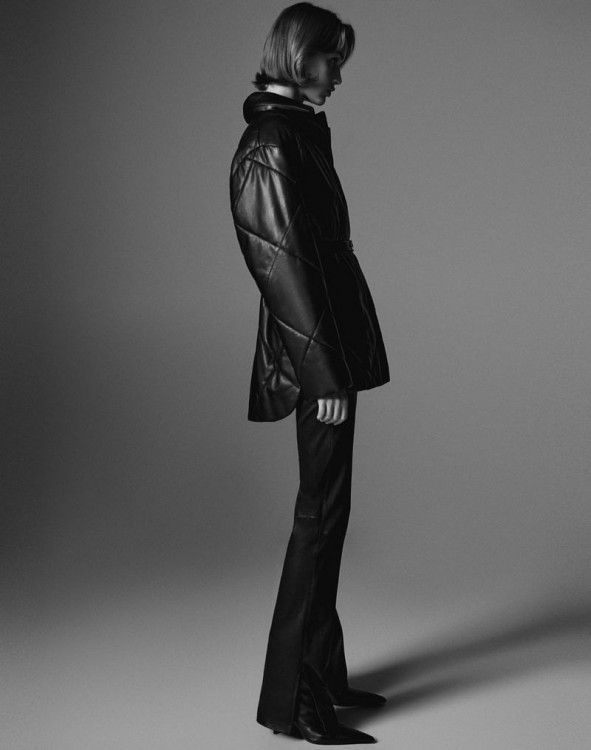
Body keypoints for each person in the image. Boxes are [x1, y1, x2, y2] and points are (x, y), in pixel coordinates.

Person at [229, 3, 390, 744]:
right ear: (300, 58)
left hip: (329, 347)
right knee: (317, 520)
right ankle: (290, 703)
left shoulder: (294, 133)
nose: (338, 77)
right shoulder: (270, 142)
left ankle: (320, 673)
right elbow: (281, 266)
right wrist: (323, 376)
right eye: (332, 61)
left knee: (330, 516)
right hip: (314, 357)